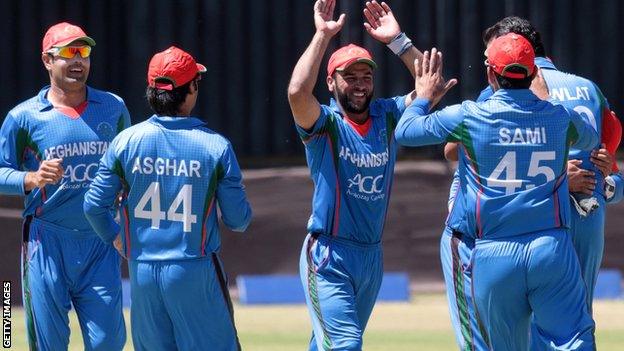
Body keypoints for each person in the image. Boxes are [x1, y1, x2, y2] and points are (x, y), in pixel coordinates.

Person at [395, 33, 597, 350]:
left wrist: (423, 96)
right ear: (532, 74)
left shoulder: (470, 115)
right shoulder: (559, 116)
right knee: (574, 340)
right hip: (550, 248)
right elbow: (589, 136)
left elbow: (405, 131)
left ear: (491, 74)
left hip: (494, 252)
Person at [441, 16, 622, 350]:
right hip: (587, 219)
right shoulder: (590, 89)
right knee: (574, 327)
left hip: (539, 222)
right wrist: (607, 184)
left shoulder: (504, 87)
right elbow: (610, 149)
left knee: (529, 328)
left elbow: (454, 149)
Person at [287, 1, 456, 349]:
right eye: (350, 78)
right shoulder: (325, 124)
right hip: (328, 255)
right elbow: (296, 93)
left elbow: (430, 87)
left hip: (370, 257)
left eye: (366, 77)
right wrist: (322, 36)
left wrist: (398, 41)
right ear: (332, 82)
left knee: (328, 345)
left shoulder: (388, 114)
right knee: (345, 345)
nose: (360, 85)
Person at [83, 46, 251, 351]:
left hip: (142, 272)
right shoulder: (215, 147)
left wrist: (115, 236)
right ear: (192, 88)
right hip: (195, 269)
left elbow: (93, 206)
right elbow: (238, 221)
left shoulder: (125, 141)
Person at [0, 22, 129, 350]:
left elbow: (129, 170)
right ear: (47, 60)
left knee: (108, 344)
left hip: (100, 243)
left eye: (84, 52)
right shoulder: (24, 118)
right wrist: (30, 178)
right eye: (69, 52)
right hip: (47, 243)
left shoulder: (113, 108)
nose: (79, 60)